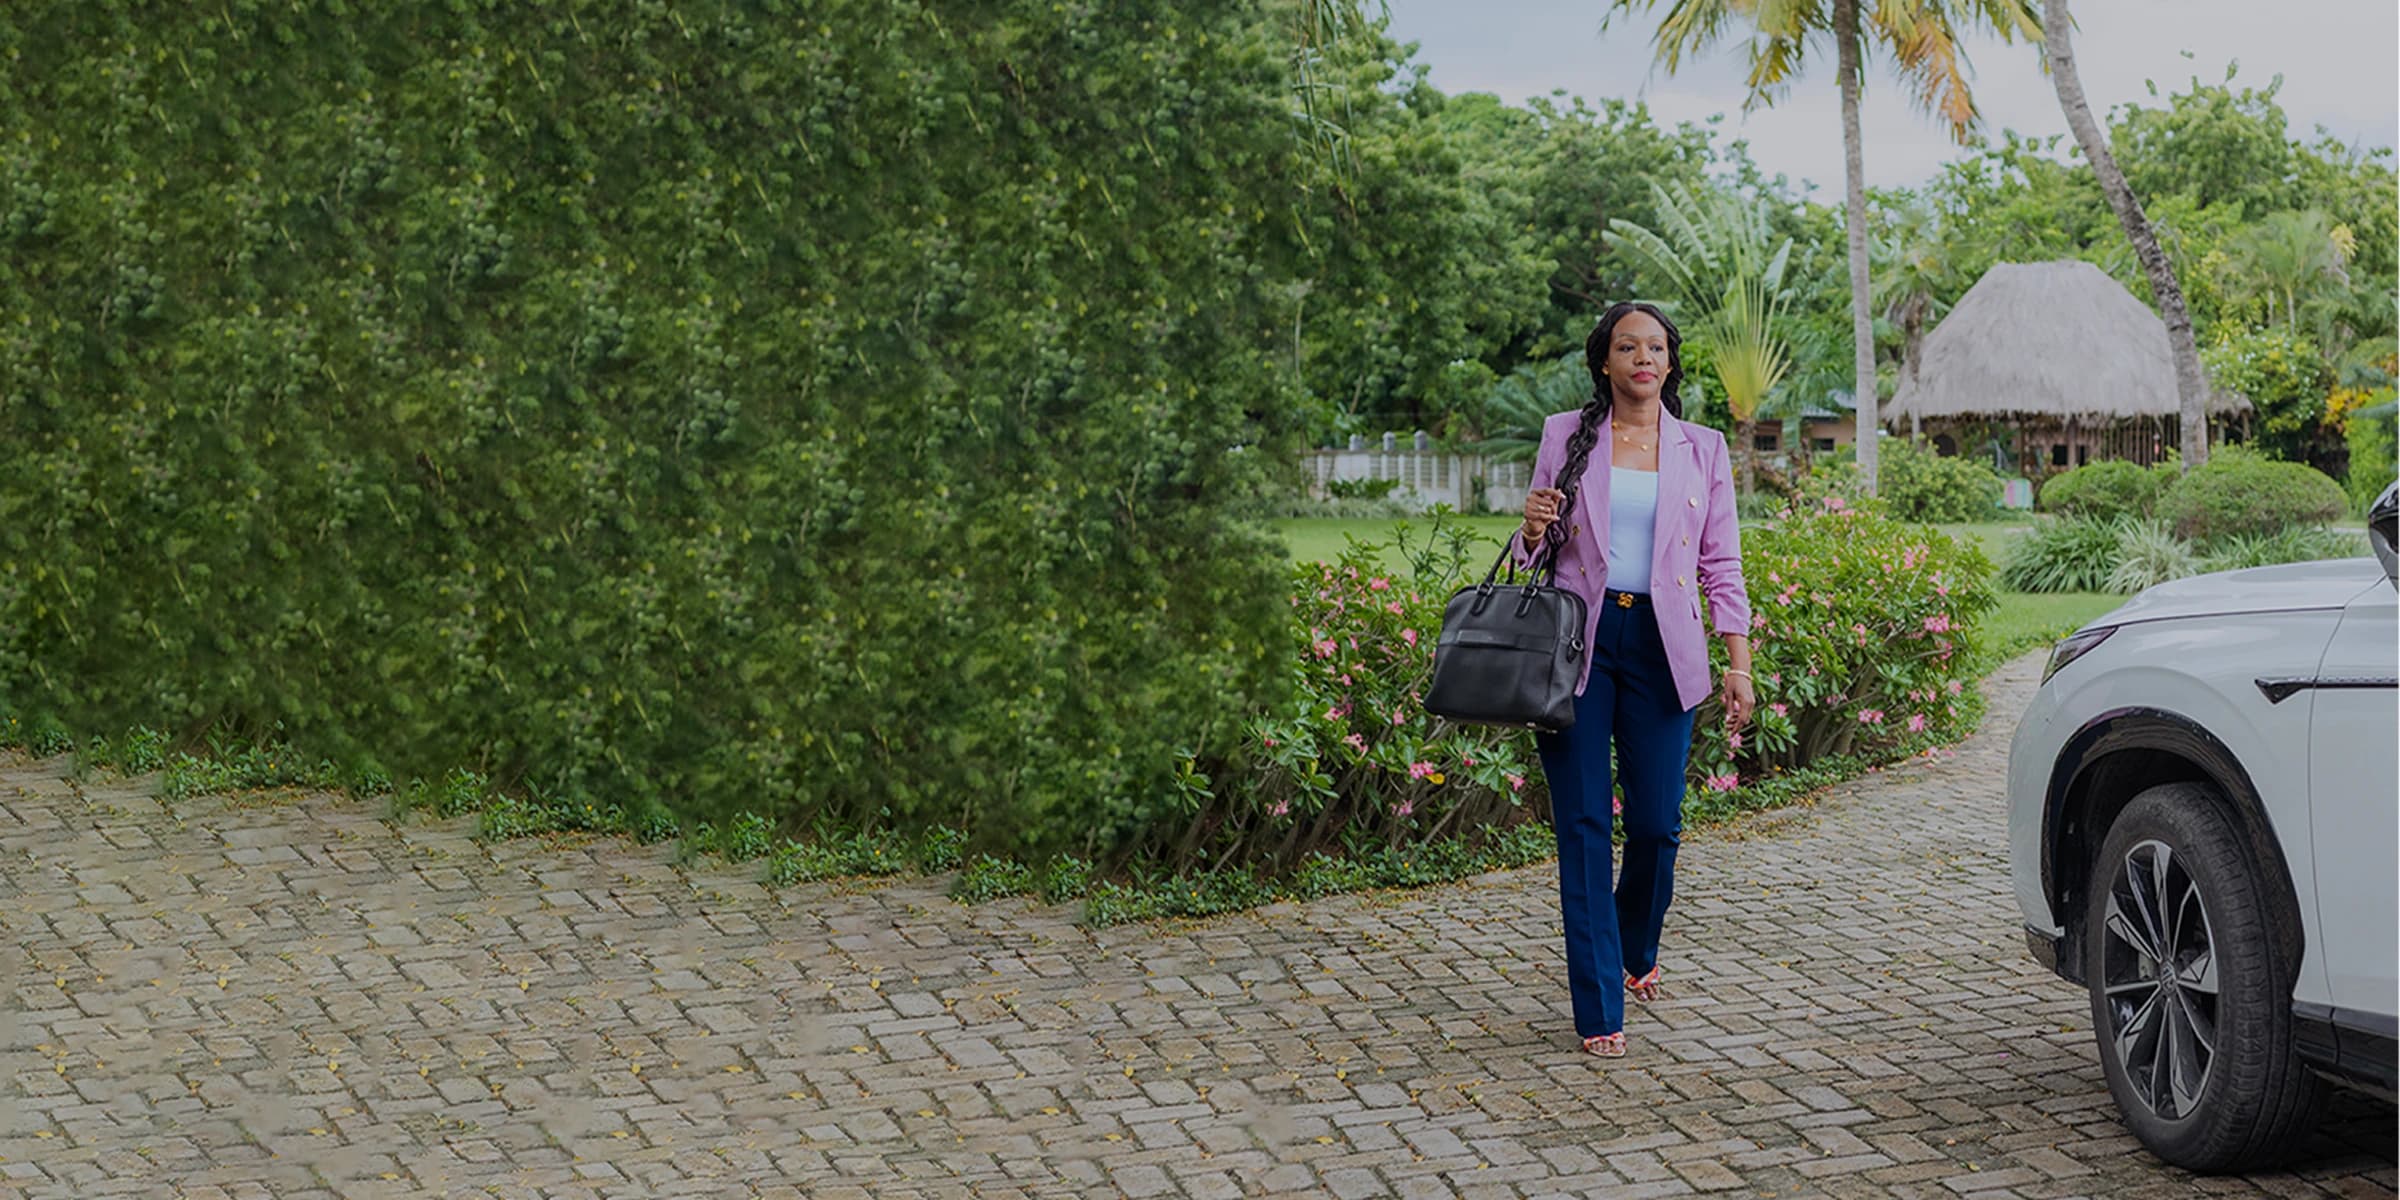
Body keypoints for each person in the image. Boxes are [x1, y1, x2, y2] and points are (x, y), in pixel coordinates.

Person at [1513, 301, 1754, 1058]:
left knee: (1655, 825)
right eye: (1628, 346)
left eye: (1655, 347)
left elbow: (1721, 562)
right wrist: (1528, 529)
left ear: (1670, 363)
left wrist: (1738, 660)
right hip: (1577, 647)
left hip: (1663, 644)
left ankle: (1634, 946)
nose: (1643, 358)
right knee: (1583, 828)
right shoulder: (1566, 436)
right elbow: (1536, 556)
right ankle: (1599, 1006)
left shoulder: (1704, 448)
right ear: (1606, 362)